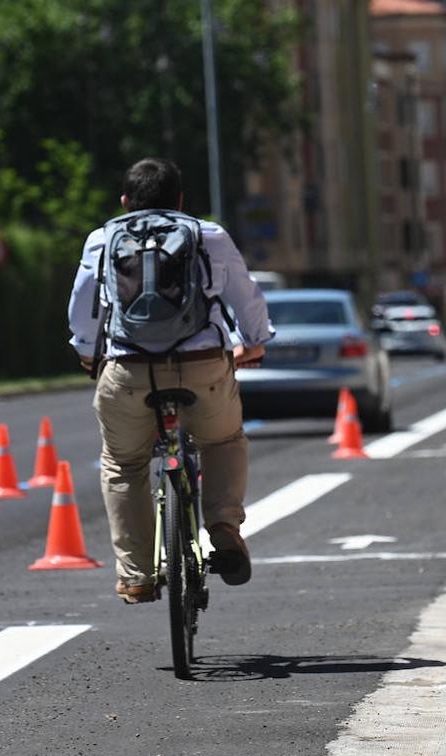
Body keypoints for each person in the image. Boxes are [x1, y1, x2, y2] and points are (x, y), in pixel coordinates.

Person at [67, 158, 273, 604]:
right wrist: (254, 343)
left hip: (129, 370)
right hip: (203, 364)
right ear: (180, 201)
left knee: (124, 463)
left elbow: (83, 307)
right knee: (223, 440)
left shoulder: (102, 239)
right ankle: (222, 524)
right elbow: (246, 295)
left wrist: (88, 354)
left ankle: (137, 574)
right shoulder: (207, 235)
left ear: (125, 202)